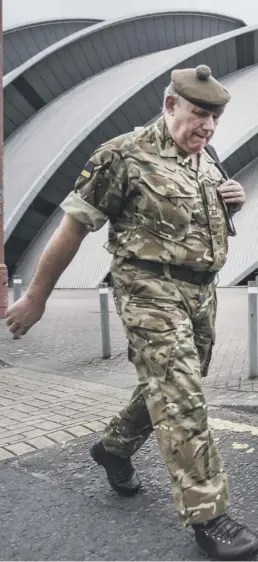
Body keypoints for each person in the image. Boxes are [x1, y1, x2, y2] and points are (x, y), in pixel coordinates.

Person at [5, 64, 258, 560]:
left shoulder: (207, 162)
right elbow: (72, 228)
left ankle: (113, 448)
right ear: (170, 105)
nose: (206, 127)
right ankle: (209, 515)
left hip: (200, 296)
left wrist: (234, 201)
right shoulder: (124, 154)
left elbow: (201, 229)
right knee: (181, 396)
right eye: (198, 114)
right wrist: (36, 297)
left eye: (214, 119)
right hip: (147, 292)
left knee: (165, 388)